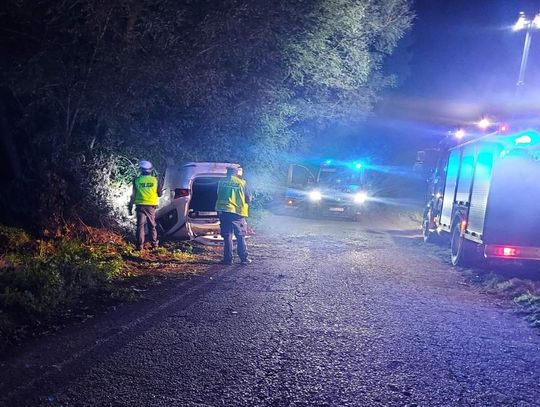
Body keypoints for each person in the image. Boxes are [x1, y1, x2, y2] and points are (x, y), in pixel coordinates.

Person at [215, 166, 252, 265]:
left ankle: (228, 259)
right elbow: (248, 199)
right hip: (237, 212)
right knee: (240, 235)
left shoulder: (221, 182)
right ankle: (244, 258)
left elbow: (218, 194)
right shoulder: (242, 183)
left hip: (224, 211)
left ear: (227, 172)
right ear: (236, 173)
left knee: (227, 236)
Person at [128, 160, 163, 251]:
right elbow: (159, 194)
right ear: (150, 170)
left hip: (140, 206)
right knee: (152, 225)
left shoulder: (137, 180)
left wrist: (130, 206)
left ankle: (140, 246)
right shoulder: (155, 180)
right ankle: (154, 245)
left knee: (140, 226)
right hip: (151, 206)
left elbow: (133, 195)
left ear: (141, 169)